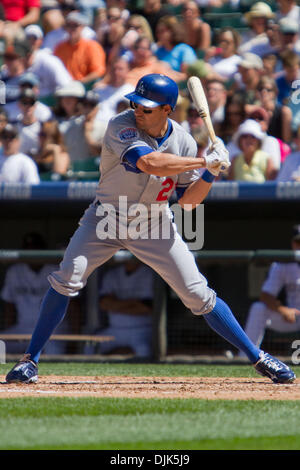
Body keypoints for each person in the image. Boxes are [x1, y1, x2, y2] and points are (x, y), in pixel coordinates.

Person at [5, 73, 295, 385]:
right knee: (66, 279)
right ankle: (29, 360)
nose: (138, 110)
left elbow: (188, 204)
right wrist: (201, 162)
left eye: (147, 106)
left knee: (198, 294)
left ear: (167, 110)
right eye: (136, 103)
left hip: (154, 223)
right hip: (106, 218)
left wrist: (210, 174)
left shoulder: (183, 140)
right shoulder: (121, 124)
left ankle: (257, 356)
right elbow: (149, 163)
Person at [0, 232, 67, 355]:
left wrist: (74, 336)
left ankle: (50, 375)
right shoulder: (15, 271)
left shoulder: (56, 270)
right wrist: (10, 331)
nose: (31, 251)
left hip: (53, 329)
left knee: (55, 351)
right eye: (28, 248)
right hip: (22, 328)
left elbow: (74, 306)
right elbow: (9, 306)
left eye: (35, 248)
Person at [240, 225, 300, 355]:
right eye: (298, 242)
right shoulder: (283, 264)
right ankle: (245, 358)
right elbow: (266, 295)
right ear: (293, 244)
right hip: (295, 317)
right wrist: (283, 310)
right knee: (258, 308)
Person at [86, 260, 154, 358]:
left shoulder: (148, 273)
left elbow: (146, 308)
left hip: (141, 330)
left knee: (144, 350)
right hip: (114, 330)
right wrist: (134, 302)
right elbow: (104, 304)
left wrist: (115, 305)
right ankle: (90, 373)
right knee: (90, 345)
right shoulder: (112, 274)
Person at [54, 11, 106, 84]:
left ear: (82, 27)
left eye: (75, 25)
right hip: (63, 86)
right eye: (69, 25)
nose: (72, 29)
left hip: (85, 86)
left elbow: (98, 71)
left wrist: (80, 83)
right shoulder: (60, 47)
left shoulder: (92, 46)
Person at [93, 57, 134, 123]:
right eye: (114, 69)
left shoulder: (132, 92)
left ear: (128, 71)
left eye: (120, 69)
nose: (116, 72)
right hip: (95, 126)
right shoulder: (99, 90)